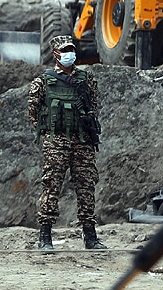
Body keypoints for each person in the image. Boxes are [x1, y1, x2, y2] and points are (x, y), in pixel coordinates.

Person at [27, 35, 107, 251]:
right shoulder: (44, 81)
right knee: (51, 185)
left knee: (86, 186)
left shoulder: (86, 78)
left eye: (71, 49)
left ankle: (90, 237)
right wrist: (51, 132)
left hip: (83, 140)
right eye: (65, 50)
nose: (69, 53)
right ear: (55, 54)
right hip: (57, 141)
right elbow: (33, 111)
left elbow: (93, 104)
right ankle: (45, 237)